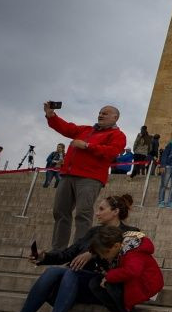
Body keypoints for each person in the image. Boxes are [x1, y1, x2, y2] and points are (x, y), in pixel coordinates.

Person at [8, 194, 135, 312]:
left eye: (101, 209)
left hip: (99, 286)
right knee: (52, 272)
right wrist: (43, 257)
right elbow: (67, 254)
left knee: (71, 272)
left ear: (115, 211)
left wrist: (93, 253)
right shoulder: (93, 232)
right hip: (73, 283)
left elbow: (128, 264)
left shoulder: (130, 233)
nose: (97, 213)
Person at [45, 102, 128, 250]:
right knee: (60, 212)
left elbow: (112, 152)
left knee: (83, 213)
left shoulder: (118, 135)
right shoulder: (86, 130)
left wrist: (87, 146)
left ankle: (79, 250)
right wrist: (51, 116)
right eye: (100, 112)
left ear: (115, 117)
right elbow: (68, 128)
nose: (100, 115)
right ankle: (58, 250)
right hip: (68, 175)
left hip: (90, 178)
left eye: (105, 113)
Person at [88, 227, 163, 312]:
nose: (103, 257)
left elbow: (132, 271)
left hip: (146, 285)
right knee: (95, 283)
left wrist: (109, 276)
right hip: (134, 282)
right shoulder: (121, 249)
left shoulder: (133, 251)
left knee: (110, 283)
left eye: (105, 253)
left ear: (116, 246)